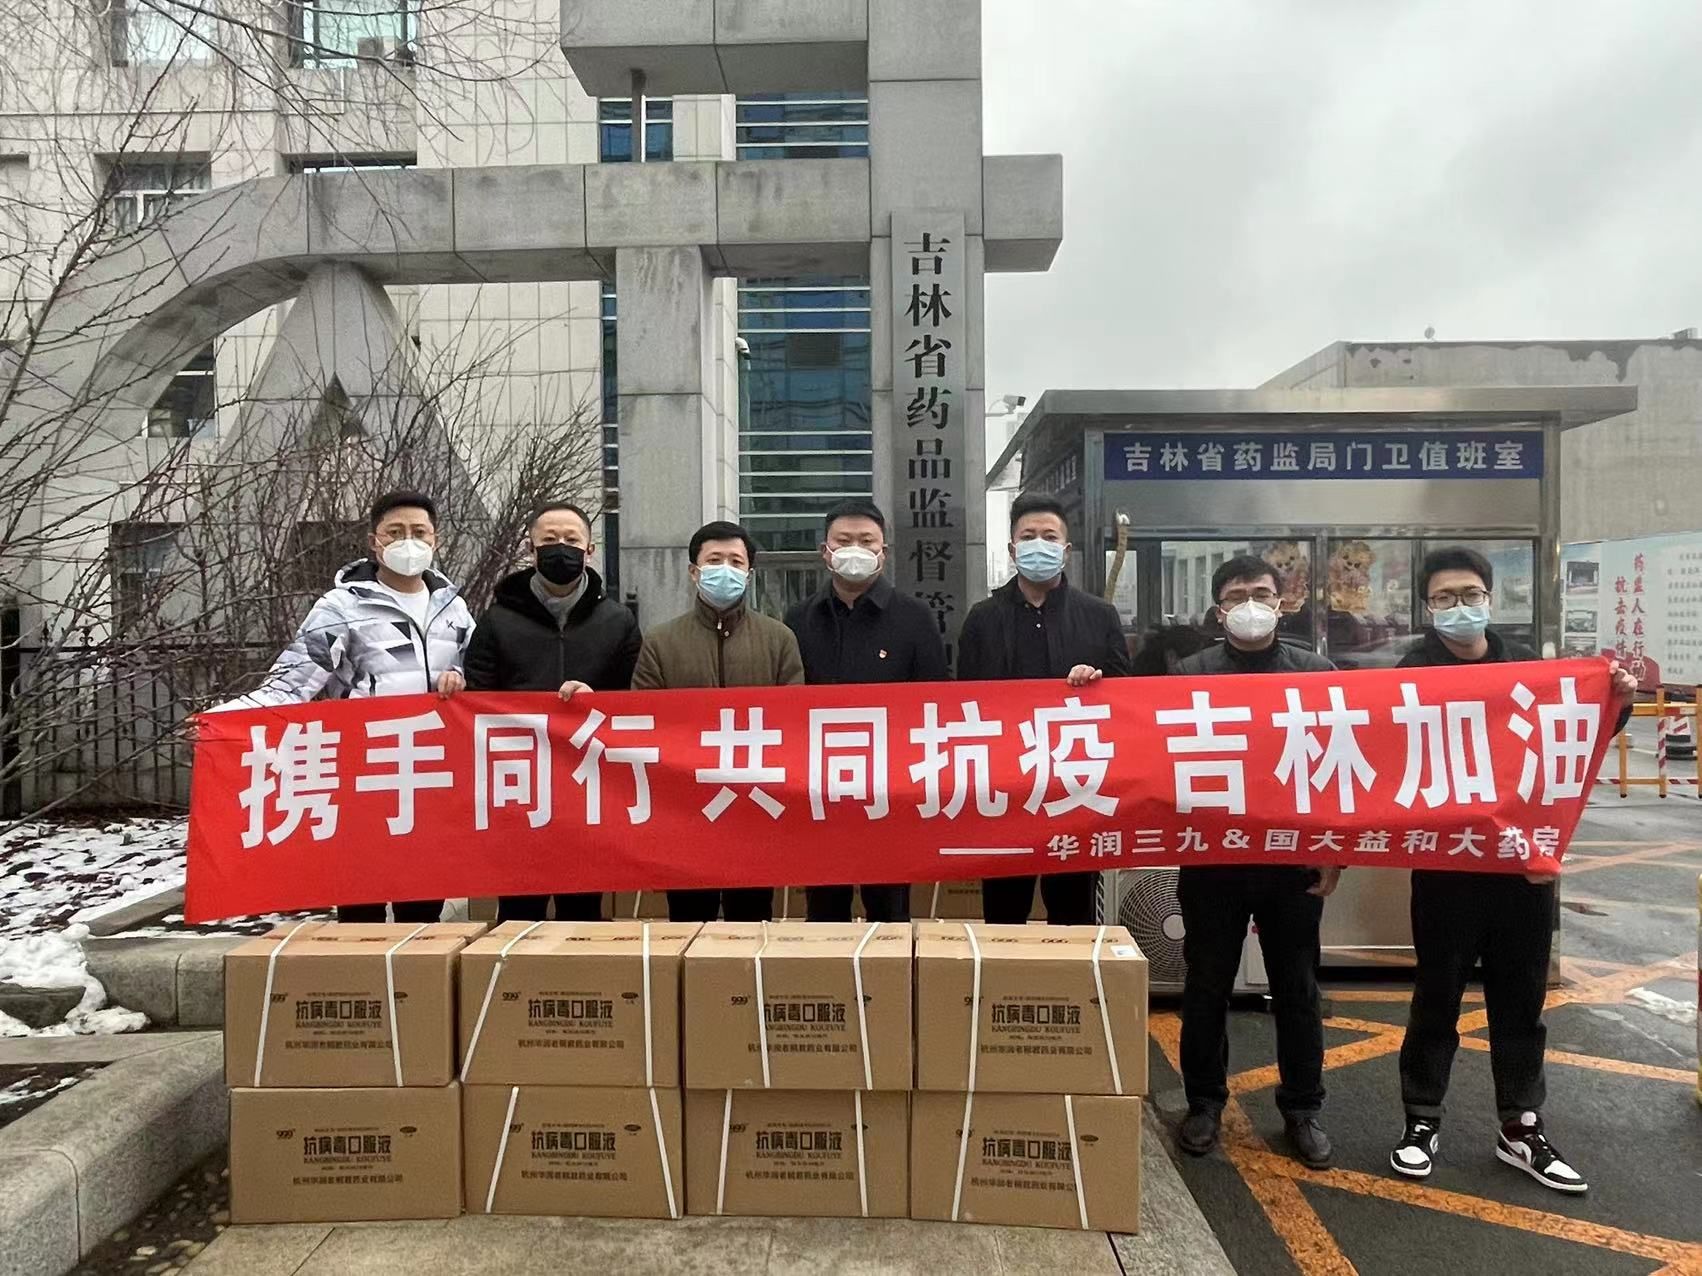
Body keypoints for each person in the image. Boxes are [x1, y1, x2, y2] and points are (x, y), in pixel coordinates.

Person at [1390, 546, 1635, 1192]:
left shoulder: (1530, 669)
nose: (1459, 607)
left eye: (1470, 594)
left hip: (1524, 870)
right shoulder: (1409, 674)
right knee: (1436, 995)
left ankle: (1522, 1127)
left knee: (1521, 1001)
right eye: (1445, 598)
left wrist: (1617, 700)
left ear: (1490, 599)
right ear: (1427, 607)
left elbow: (1579, 733)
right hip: (1446, 870)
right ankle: (1421, 1119)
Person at [209, 490, 473, 924]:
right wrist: (225, 721)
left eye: (419, 532)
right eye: (395, 532)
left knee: (424, 896)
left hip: (430, 769)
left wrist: (462, 677)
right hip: (364, 768)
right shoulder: (342, 606)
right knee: (361, 893)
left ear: (435, 539)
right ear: (374, 542)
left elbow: (478, 673)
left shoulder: (454, 608)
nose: (408, 542)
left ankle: (419, 966)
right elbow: (293, 680)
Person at [1172, 554, 1339, 1170]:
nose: (1250, 605)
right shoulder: (1188, 674)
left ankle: (1302, 1109)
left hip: (1292, 863)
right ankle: (1203, 1104)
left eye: (1262, 594)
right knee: (1205, 987)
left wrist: (1335, 853)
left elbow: (1337, 772)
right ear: (1219, 611)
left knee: (1297, 988)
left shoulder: (1316, 674)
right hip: (1213, 861)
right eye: (1237, 595)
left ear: (1281, 602)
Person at [956, 493, 1131, 927]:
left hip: (1075, 786)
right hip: (1005, 788)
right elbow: (965, 703)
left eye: (1049, 537)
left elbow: (1125, 700)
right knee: (1004, 912)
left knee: (1072, 913)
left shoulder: (1099, 616)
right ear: (1012, 548)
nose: (1039, 545)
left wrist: (1097, 684)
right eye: (1028, 536)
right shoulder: (982, 619)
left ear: (1066, 550)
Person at [463, 502, 642, 924]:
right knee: (518, 911)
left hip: (588, 784)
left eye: (571, 540)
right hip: (519, 785)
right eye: (549, 540)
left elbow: (636, 699)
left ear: (589, 550)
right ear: (531, 549)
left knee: (583, 910)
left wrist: (597, 701)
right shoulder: (496, 621)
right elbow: (477, 698)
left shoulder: (617, 621)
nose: (560, 547)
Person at [632, 520, 804, 922]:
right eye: (714, 560)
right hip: (685, 812)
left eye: (735, 561)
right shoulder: (660, 641)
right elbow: (644, 721)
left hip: (756, 810)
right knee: (689, 922)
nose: (725, 569)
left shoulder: (779, 639)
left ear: (749, 573)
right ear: (694, 571)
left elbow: (795, 724)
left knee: (752, 922)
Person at [785, 498, 949, 923]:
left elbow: (935, 704)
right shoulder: (798, 620)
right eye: (844, 541)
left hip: (890, 793)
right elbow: (784, 706)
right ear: (825, 552)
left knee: (889, 913)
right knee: (824, 913)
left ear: (883, 552)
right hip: (819, 792)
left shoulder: (915, 618)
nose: (855, 549)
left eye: (866, 541)